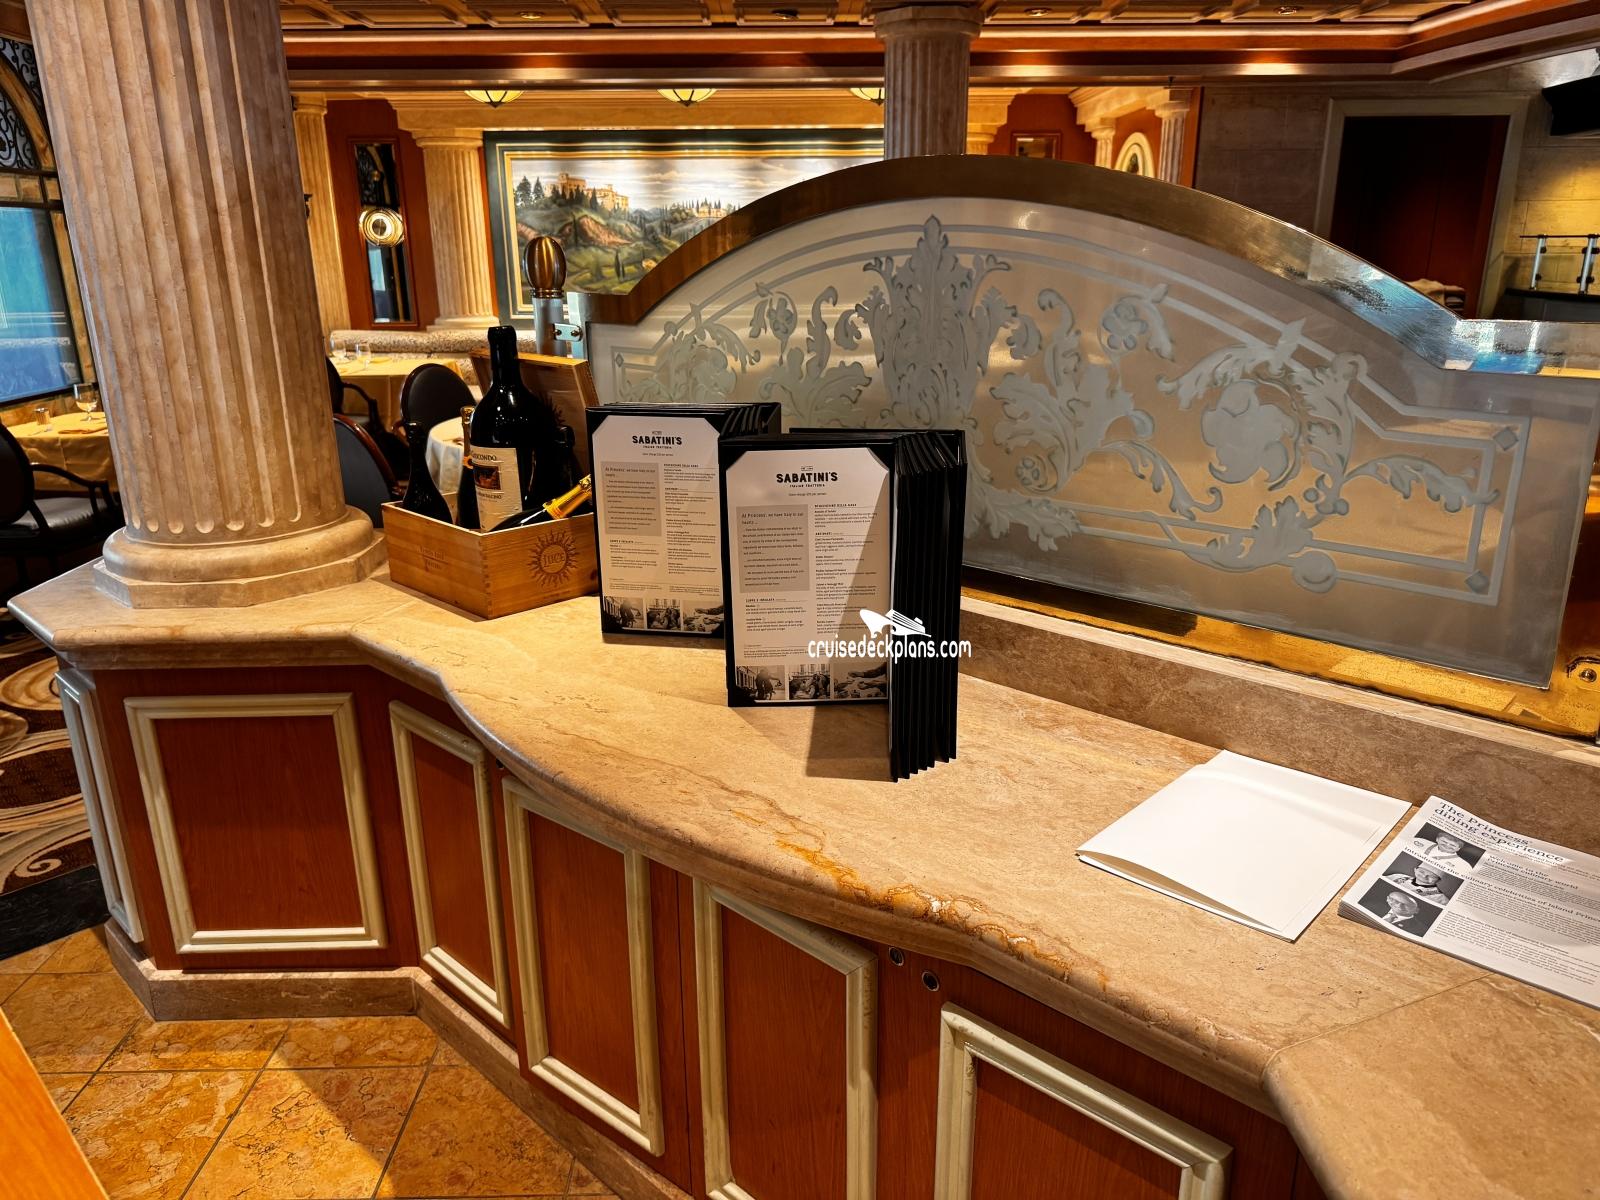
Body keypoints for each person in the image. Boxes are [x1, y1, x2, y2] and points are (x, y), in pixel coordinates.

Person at [1406, 832, 1476, 873]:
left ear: (1458, 848)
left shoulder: (1464, 865)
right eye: (1444, 841)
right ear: (1437, 839)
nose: (1447, 845)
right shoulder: (1420, 841)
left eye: (1452, 845)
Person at [1382, 861, 1447, 904]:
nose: (1424, 876)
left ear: (1438, 880)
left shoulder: (1440, 898)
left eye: (1432, 876)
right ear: (1415, 869)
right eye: (1421, 872)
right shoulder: (1398, 877)